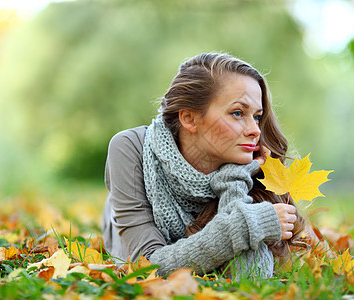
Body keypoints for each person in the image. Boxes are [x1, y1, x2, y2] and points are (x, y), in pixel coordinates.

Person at [102, 52, 311, 280]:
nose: (256, 130)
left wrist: (236, 177)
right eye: (238, 113)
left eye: (257, 116)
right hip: (120, 222)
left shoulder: (249, 165)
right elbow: (147, 267)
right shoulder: (130, 148)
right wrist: (245, 225)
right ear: (190, 119)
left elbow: (251, 276)